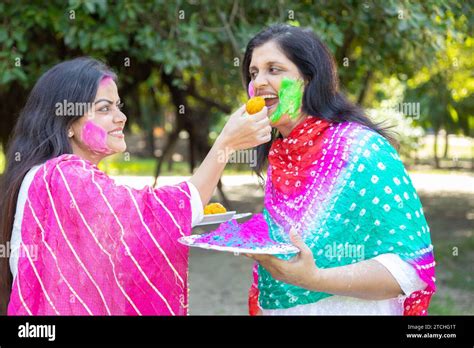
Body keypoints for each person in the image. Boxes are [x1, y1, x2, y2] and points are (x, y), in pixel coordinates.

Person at [0, 57, 271, 315]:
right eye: (104, 108)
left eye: (118, 106)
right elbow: (156, 215)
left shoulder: (50, 176)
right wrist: (225, 144)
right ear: (67, 123)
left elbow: (131, 233)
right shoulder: (64, 177)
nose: (121, 117)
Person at [242, 24, 436, 315]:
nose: (258, 82)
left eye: (274, 69)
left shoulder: (362, 149)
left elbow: (410, 268)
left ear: (308, 79)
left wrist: (314, 279)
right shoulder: (282, 156)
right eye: (254, 72)